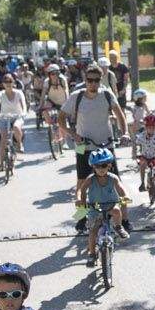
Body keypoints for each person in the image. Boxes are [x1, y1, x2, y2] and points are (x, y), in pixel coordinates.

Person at [61, 64, 128, 210]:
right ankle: (81, 217)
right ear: (85, 80)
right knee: (81, 181)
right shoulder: (76, 97)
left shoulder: (106, 95)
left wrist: (125, 133)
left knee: (116, 181)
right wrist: (73, 134)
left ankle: (124, 219)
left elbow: (120, 115)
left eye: (96, 80)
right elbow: (61, 119)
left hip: (106, 144)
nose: (93, 83)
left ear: (100, 80)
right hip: (82, 145)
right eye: (89, 80)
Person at [82, 147, 129, 264]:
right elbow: (82, 190)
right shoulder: (90, 179)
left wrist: (125, 196)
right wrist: (80, 200)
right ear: (93, 167)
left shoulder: (113, 178)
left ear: (109, 165)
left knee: (117, 211)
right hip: (96, 207)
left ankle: (118, 227)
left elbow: (121, 188)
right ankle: (92, 254)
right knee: (93, 231)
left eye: (104, 165)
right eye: (97, 166)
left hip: (110, 205)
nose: (101, 169)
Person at [0, 71, 27, 171]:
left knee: (16, 127)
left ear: (13, 83)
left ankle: (19, 143)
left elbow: (24, 104)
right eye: (6, 81)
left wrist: (24, 112)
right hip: (4, 117)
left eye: (10, 81)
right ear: (3, 84)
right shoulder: (0, 94)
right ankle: (1, 163)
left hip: (18, 116)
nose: (8, 83)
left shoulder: (19, 93)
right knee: (3, 140)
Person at [135, 113, 155, 191]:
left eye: (153, 127)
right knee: (142, 166)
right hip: (145, 157)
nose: (151, 129)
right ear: (145, 127)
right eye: (149, 127)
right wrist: (134, 153)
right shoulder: (142, 136)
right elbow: (136, 144)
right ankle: (142, 183)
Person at [42, 64, 70, 146]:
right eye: (52, 74)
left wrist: (67, 104)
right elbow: (43, 94)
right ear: (49, 74)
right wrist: (40, 105)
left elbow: (66, 92)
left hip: (62, 102)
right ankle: (52, 127)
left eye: (56, 73)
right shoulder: (47, 82)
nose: (54, 76)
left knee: (62, 122)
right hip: (51, 101)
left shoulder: (62, 80)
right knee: (44, 111)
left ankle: (64, 141)